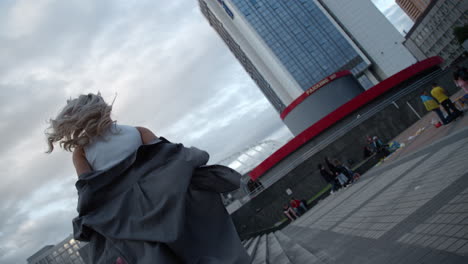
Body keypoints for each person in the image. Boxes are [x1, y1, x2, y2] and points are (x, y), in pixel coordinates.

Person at [45, 93, 250, 264]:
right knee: (198, 244)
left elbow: (90, 191)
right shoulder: (137, 131)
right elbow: (168, 157)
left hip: (128, 216)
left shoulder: (81, 152)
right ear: (103, 109)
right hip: (166, 199)